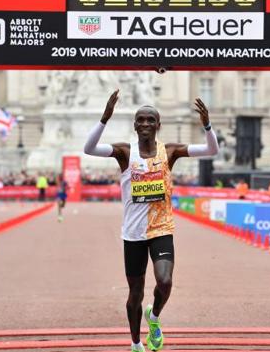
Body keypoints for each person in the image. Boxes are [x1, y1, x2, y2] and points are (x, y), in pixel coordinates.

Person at [84, 90, 218, 352]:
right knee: (135, 294)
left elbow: (211, 149)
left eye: (150, 120)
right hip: (133, 234)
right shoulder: (125, 152)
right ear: (135, 126)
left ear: (158, 125)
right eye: (141, 120)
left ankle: (154, 317)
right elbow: (89, 149)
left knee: (165, 282)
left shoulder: (170, 152)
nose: (145, 124)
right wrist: (104, 118)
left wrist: (207, 125)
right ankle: (135, 343)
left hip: (161, 228)